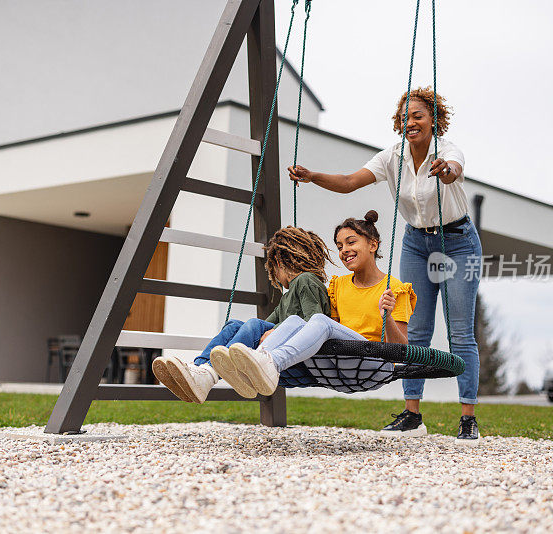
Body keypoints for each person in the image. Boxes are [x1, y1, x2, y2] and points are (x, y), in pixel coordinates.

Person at [287, 87, 482, 446]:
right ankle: (412, 415)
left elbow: (454, 171)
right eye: (405, 117)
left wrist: (445, 170)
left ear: (434, 120)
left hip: (458, 243)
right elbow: (349, 183)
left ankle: (467, 418)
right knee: (415, 328)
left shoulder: (447, 151)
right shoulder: (392, 157)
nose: (411, 122)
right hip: (416, 243)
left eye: (419, 116)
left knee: (460, 331)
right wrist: (312, 175)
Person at [212, 211, 416, 397]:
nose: (344, 250)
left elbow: (400, 350)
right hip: (339, 363)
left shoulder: (394, 288)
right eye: (339, 246)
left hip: (374, 364)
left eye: (351, 242)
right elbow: (332, 331)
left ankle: (270, 362)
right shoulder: (339, 286)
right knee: (295, 320)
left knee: (318, 320)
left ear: (373, 245)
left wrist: (386, 316)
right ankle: (256, 363)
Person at [152, 226, 331, 404]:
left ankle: (208, 374)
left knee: (253, 324)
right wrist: (265, 332)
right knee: (234, 325)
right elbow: (262, 329)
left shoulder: (306, 281)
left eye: (272, 268)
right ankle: (199, 369)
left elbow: (315, 323)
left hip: (299, 351)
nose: (274, 275)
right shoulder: (287, 297)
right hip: (279, 346)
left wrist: (273, 331)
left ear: (278, 261)